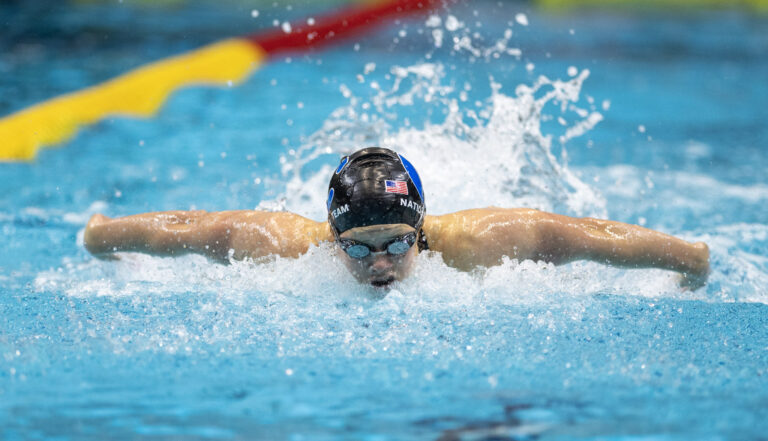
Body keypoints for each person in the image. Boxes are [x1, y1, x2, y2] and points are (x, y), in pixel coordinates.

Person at [84, 147, 710, 289]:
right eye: (357, 249)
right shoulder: (282, 245)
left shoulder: (483, 242)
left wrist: (689, 260)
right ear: (332, 238)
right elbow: (187, 228)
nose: (380, 263)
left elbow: (592, 237)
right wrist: (100, 235)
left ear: (422, 230)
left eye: (395, 244)